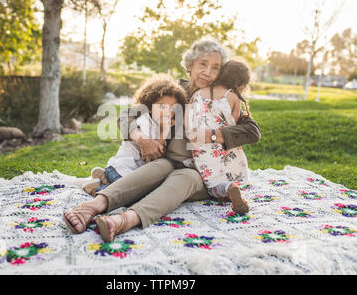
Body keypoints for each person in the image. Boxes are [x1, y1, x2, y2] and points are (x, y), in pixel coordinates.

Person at [63, 37, 261, 243]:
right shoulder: (174, 91)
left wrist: (211, 135)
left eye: (215, 67)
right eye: (203, 64)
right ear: (190, 65)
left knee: (186, 176)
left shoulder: (221, 98)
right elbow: (127, 115)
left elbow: (252, 130)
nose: (208, 72)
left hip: (201, 175)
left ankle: (123, 220)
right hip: (168, 162)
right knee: (160, 166)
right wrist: (142, 139)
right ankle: (91, 208)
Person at [80, 74, 187, 197]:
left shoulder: (159, 124)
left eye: (173, 108)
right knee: (132, 195)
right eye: (162, 106)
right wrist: (164, 130)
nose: (167, 111)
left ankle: (103, 177)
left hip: (126, 172)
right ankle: (99, 188)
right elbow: (153, 154)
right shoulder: (144, 121)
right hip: (123, 171)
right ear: (150, 107)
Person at [186, 59, 252, 213]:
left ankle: (226, 189)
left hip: (202, 148)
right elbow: (233, 125)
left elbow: (187, 121)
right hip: (225, 147)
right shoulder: (233, 97)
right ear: (241, 85)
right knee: (229, 176)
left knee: (212, 183)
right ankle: (231, 187)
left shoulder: (197, 93)